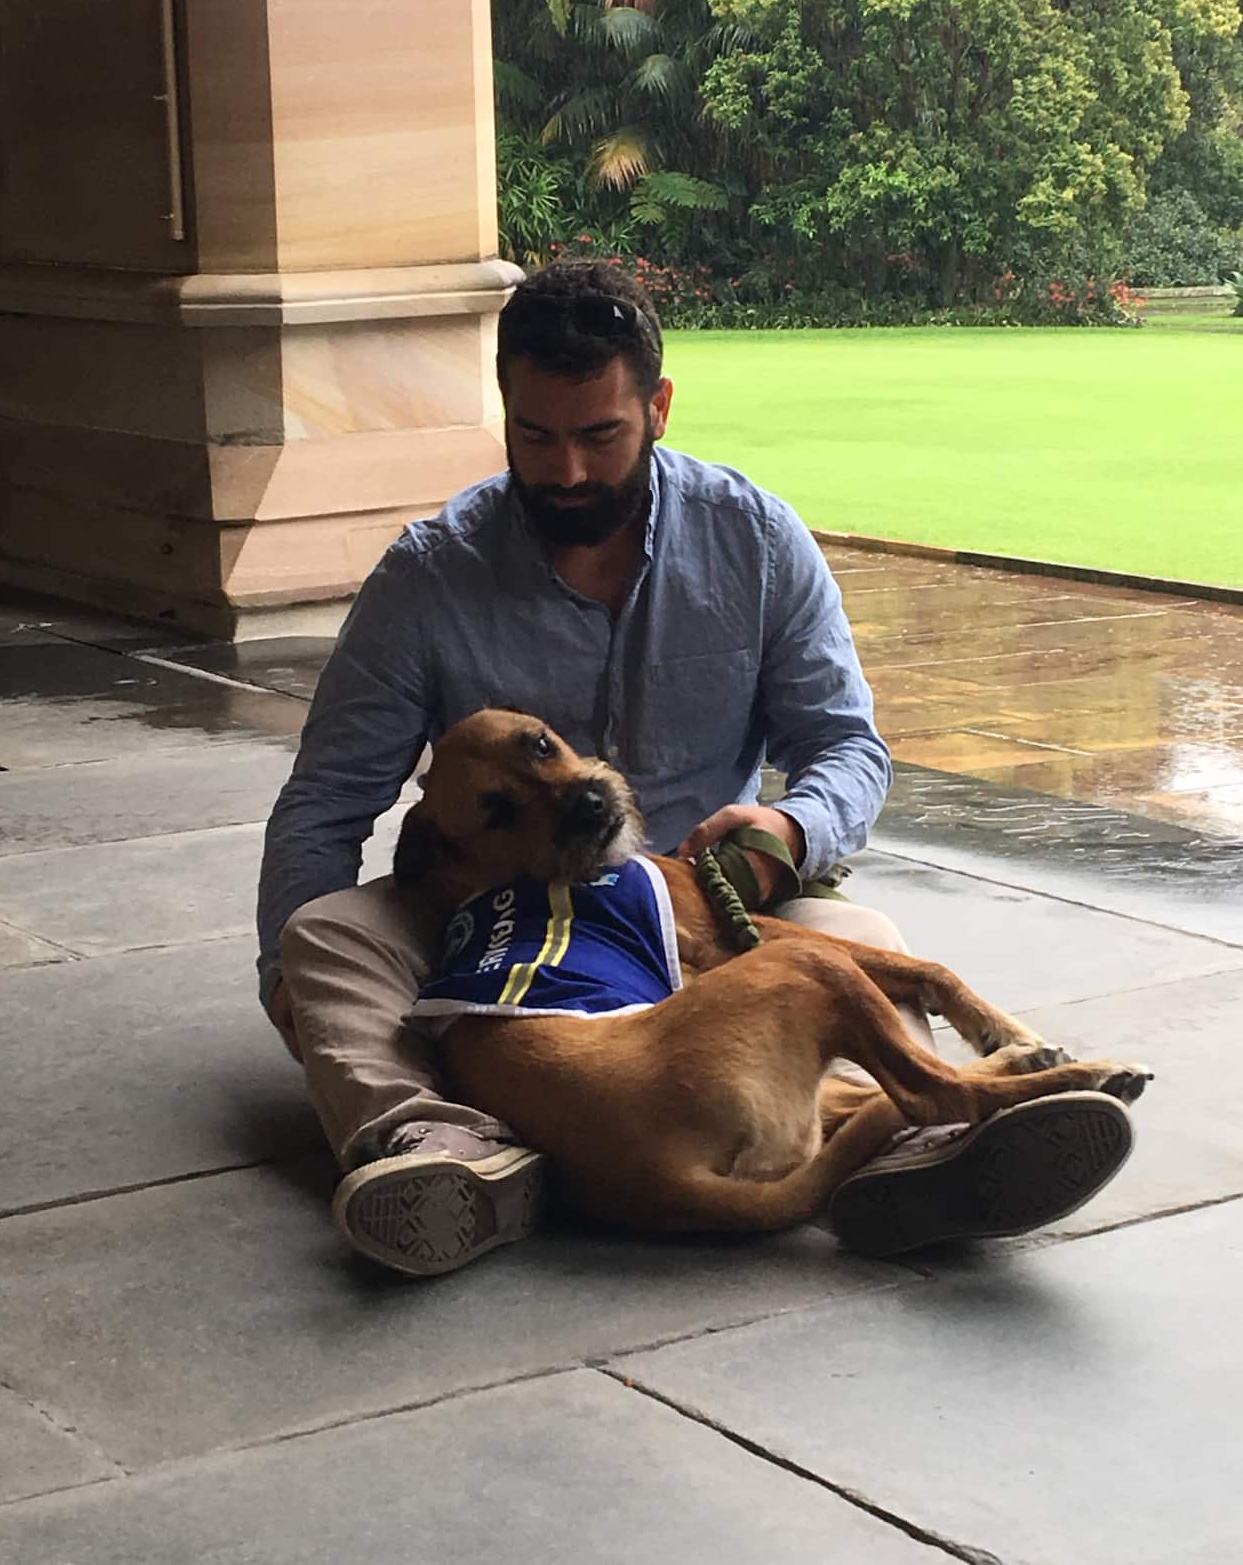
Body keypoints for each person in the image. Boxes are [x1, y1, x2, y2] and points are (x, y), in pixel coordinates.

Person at [258, 260, 1126, 1277]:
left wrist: (792, 827)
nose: (566, 471)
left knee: (859, 938)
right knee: (324, 939)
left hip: (711, 897)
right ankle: (442, 1148)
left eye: (599, 436)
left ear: (658, 408)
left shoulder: (755, 539)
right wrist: (292, 992)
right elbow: (327, 798)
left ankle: (906, 1142)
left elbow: (846, 746)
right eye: (535, 436)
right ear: (505, 414)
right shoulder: (429, 575)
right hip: (496, 912)